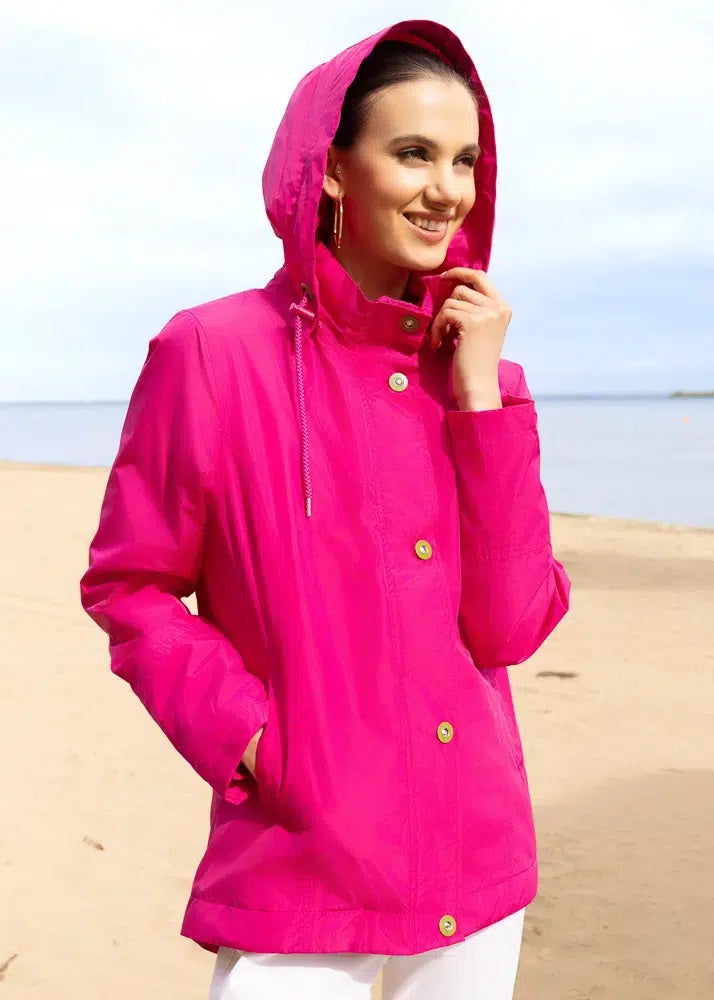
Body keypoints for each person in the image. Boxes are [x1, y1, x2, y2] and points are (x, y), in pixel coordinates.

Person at [79, 18, 571, 1000]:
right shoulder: (214, 353)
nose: (447, 188)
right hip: (304, 860)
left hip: (474, 863)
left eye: (466, 160)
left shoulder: (482, 375)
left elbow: (511, 625)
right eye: (413, 153)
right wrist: (255, 739)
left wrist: (483, 402)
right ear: (334, 168)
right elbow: (129, 583)